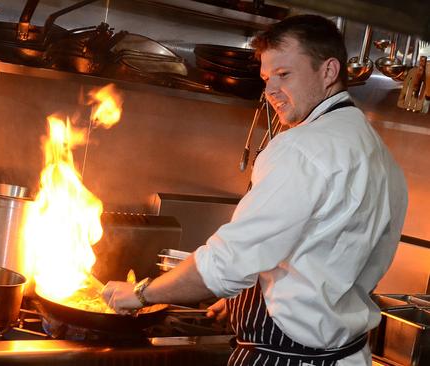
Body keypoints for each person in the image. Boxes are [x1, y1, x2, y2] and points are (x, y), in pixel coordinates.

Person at [102, 14, 408, 366]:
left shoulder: (302, 147)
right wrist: (250, 298)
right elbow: (326, 257)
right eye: (266, 78)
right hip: (345, 354)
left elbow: (229, 260)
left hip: (288, 359)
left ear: (328, 71)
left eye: (284, 74)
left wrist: (140, 294)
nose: (270, 90)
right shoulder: (379, 154)